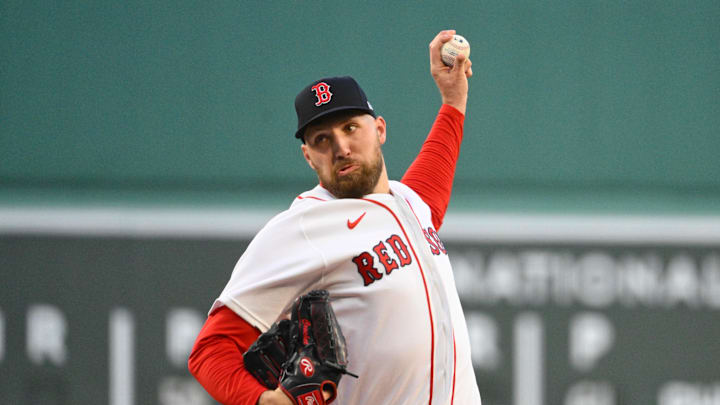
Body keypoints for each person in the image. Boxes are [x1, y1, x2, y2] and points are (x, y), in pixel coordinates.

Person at [188, 30, 481, 405]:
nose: (340, 147)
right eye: (321, 139)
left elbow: (430, 191)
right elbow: (211, 348)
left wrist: (453, 101)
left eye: (350, 128)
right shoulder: (303, 226)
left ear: (379, 130)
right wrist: (261, 401)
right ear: (308, 157)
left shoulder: (408, 202)